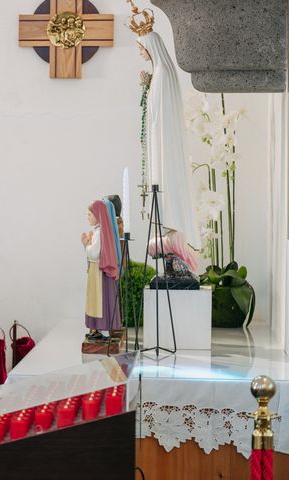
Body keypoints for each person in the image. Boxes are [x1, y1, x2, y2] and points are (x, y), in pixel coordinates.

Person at [130, 4, 200, 260]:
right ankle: (172, 237)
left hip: (164, 146)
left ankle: (174, 234)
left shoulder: (161, 75)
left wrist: (148, 89)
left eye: (140, 49)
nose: (140, 53)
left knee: (168, 194)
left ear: (150, 46)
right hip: (163, 143)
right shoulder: (161, 73)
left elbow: (158, 118)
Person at [81, 200, 121, 340]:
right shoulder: (100, 231)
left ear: (98, 215)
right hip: (96, 271)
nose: (88, 217)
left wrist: (86, 244)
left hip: (98, 274)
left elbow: (94, 253)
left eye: (90, 214)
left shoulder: (99, 233)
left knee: (99, 300)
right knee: (97, 299)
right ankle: (100, 329)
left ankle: (103, 329)